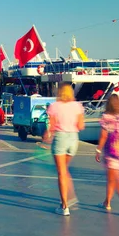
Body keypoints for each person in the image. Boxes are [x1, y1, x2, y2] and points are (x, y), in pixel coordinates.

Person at [45, 82, 85, 216]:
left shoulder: (54, 106)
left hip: (61, 138)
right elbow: (80, 125)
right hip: (73, 139)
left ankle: (64, 206)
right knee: (65, 170)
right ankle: (71, 195)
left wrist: (47, 136)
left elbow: (52, 126)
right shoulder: (77, 106)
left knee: (61, 172)